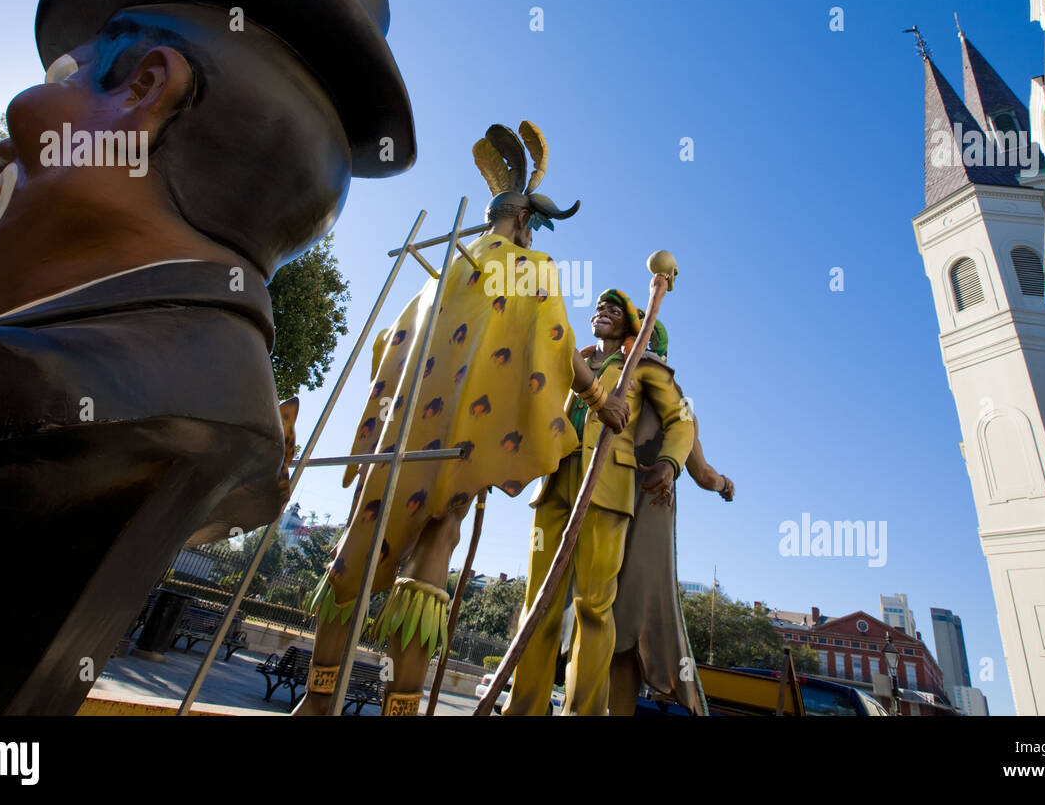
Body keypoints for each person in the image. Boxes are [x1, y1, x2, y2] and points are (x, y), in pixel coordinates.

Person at [0, 0, 414, 714]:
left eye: (60, 78)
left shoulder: (30, 395)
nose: (8, 129)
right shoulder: (205, 399)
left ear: (145, 91)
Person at [295, 123, 629, 715]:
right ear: (526, 221)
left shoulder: (441, 272)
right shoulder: (531, 269)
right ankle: (398, 710)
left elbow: (386, 349)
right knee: (429, 565)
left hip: (399, 444)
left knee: (357, 554)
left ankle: (317, 705)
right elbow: (558, 346)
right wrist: (604, 402)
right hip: (459, 455)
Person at [504, 289, 695, 715]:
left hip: (607, 492)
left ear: (630, 325)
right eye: (598, 308)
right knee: (539, 601)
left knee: (593, 606)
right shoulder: (573, 359)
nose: (601, 313)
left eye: (613, 310)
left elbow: (680, 420)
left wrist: (670, 462)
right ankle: (524, 707)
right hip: (555, 483)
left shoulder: (643, 367)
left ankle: (583, 711)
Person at [605, 321, 735, 716]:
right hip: (641, 524)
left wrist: (719, 481)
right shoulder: (672, 402)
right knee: (627, 620)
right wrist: (725, 484)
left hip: (618, 514)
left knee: (611, 619)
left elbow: (699, 469)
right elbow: (703, 474)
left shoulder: (611, 389)